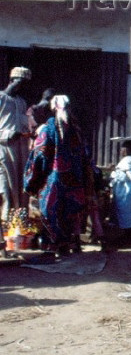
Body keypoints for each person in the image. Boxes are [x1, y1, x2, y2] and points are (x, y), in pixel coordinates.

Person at [24, 95, 94, 256]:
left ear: (54, 107)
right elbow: (86, 154)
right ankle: (70, 244)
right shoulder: (76, 130)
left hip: (53, 180)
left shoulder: (47, 129)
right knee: (71, 211)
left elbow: (39, 155)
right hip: (74, 179)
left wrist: (33, 179)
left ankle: (53, 246)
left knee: (51, 211)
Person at [0, 67, 32, 223]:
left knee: (21, 187)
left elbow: (25, 124)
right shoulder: (1, 98)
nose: (21, 86)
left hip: (21, 148)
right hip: (4, 148)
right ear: (12, 80)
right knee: (6, 189)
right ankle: (5, 223)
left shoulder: (21, 102)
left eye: (25, 84)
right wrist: (6, 135)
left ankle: (19, 224)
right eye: (20, 82)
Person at [109, 140, 131, 234]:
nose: (121, 150)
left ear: (128, 149)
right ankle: (128, 232)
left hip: (125, 190)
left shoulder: (128, 161)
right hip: (129, 190)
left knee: (124, 212)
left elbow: (126, 176)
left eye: (123, 148)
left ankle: (126, 234)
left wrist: (113, 170)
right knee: (129, 211)